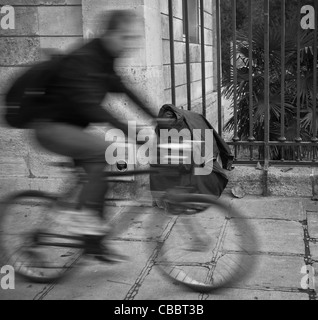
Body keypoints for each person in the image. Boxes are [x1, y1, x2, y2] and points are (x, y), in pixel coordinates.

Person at [30, 10, 157, 257]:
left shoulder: (104, 59)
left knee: (100, 181)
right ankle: (82, 223)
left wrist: (156, 116)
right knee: (101, 150)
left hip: (72, 129)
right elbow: (90, 106)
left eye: (134, 38)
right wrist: (130, 132)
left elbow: (124, 90)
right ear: (110, 34)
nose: (130, 44)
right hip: (49, 128)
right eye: (125, 37)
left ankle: (92, 243)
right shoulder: (84, 59)